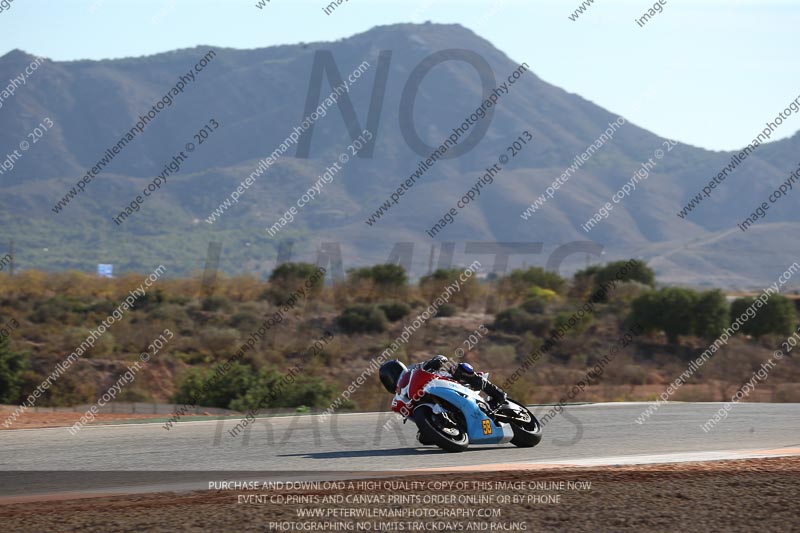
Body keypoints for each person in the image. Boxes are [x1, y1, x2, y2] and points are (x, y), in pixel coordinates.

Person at [379, 354, 509, 419]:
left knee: (459, 368)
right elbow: (411, 416)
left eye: (389, 376)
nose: (390, 380)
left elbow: (434, 361)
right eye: (387, 380)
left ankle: (497, 394)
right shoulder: (398, 399)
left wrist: (437, 360)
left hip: (446, 383)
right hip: (432, 405)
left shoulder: (413, 370)